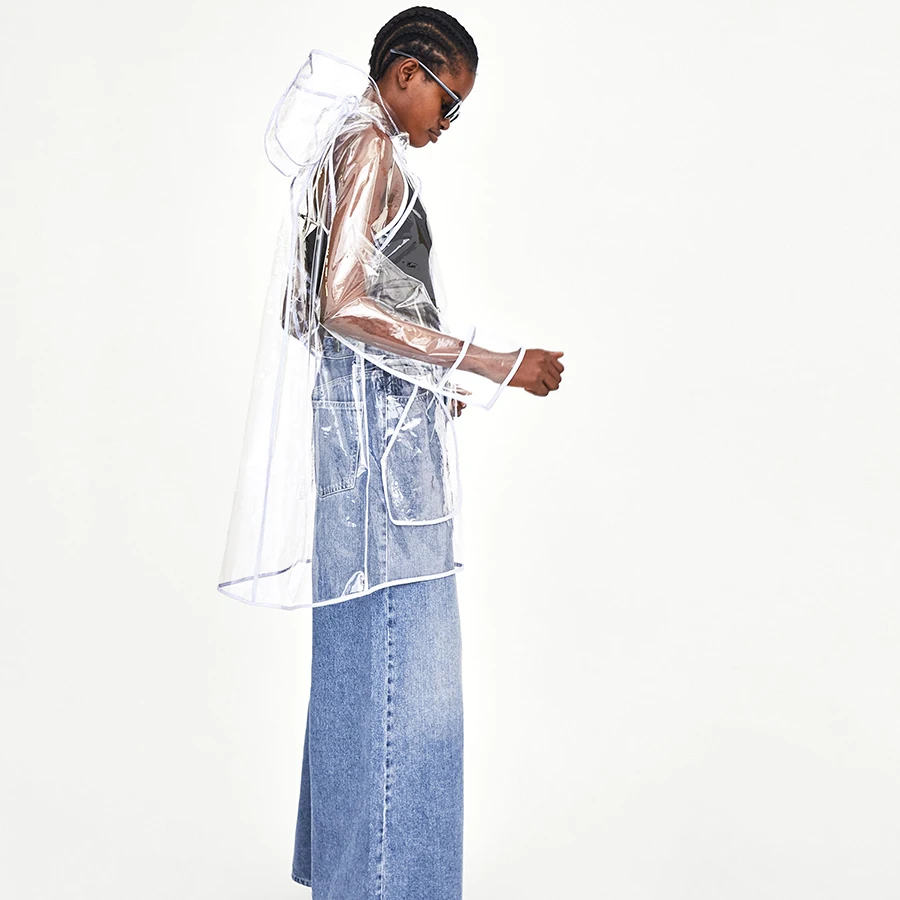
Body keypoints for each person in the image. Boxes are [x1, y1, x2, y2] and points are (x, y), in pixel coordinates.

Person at [218, 7, 563, 898]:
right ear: (407, 73)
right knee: (409, 679)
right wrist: (491, 360)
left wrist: (418, 375)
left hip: (358, 440)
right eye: (448, 102)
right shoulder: (369, 147)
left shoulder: (339, 151)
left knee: (357, 665)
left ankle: (350, 878)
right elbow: (339, 304)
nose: (448, 124)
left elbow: (316, 312)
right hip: (381, 460)